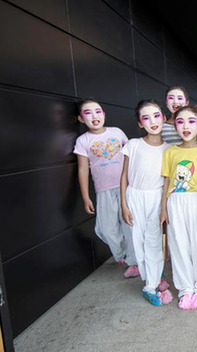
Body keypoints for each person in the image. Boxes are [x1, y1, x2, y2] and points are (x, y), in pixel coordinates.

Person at [73, 98, 138, 278]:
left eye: (98, 111)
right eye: (88, 112)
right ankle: (122, 253)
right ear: (80, 118)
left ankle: (134, 261)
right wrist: (86, 197)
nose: (95, 116)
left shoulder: (116, 132)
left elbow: (131, 155)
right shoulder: (82, 141)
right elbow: (82, 169)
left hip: (126, 186)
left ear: (104, 114)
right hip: (103, 190)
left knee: (129, 225)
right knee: (106, 228)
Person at [160, 106, 197, 310]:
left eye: (191, 121)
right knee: (179, 246)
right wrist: (163, 208)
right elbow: (166, 182)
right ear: (174, 125)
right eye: (180, 121)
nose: (186, 126)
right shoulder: (170, 152)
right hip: (175, 202)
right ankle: (185, 288)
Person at [120, 100, 173, 306]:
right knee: (137, 242)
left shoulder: (170, 150)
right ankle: (153, 276)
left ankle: (150, 286)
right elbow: (124, 176)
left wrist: (163, 207)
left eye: (156, 115)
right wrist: (124, 204)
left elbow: (168, 182)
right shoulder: (133, 145)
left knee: (153, 241)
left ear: (164, 118)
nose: (152, 121)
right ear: (140, 123)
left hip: (157, 198)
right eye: (146, 117)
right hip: (134, 197)